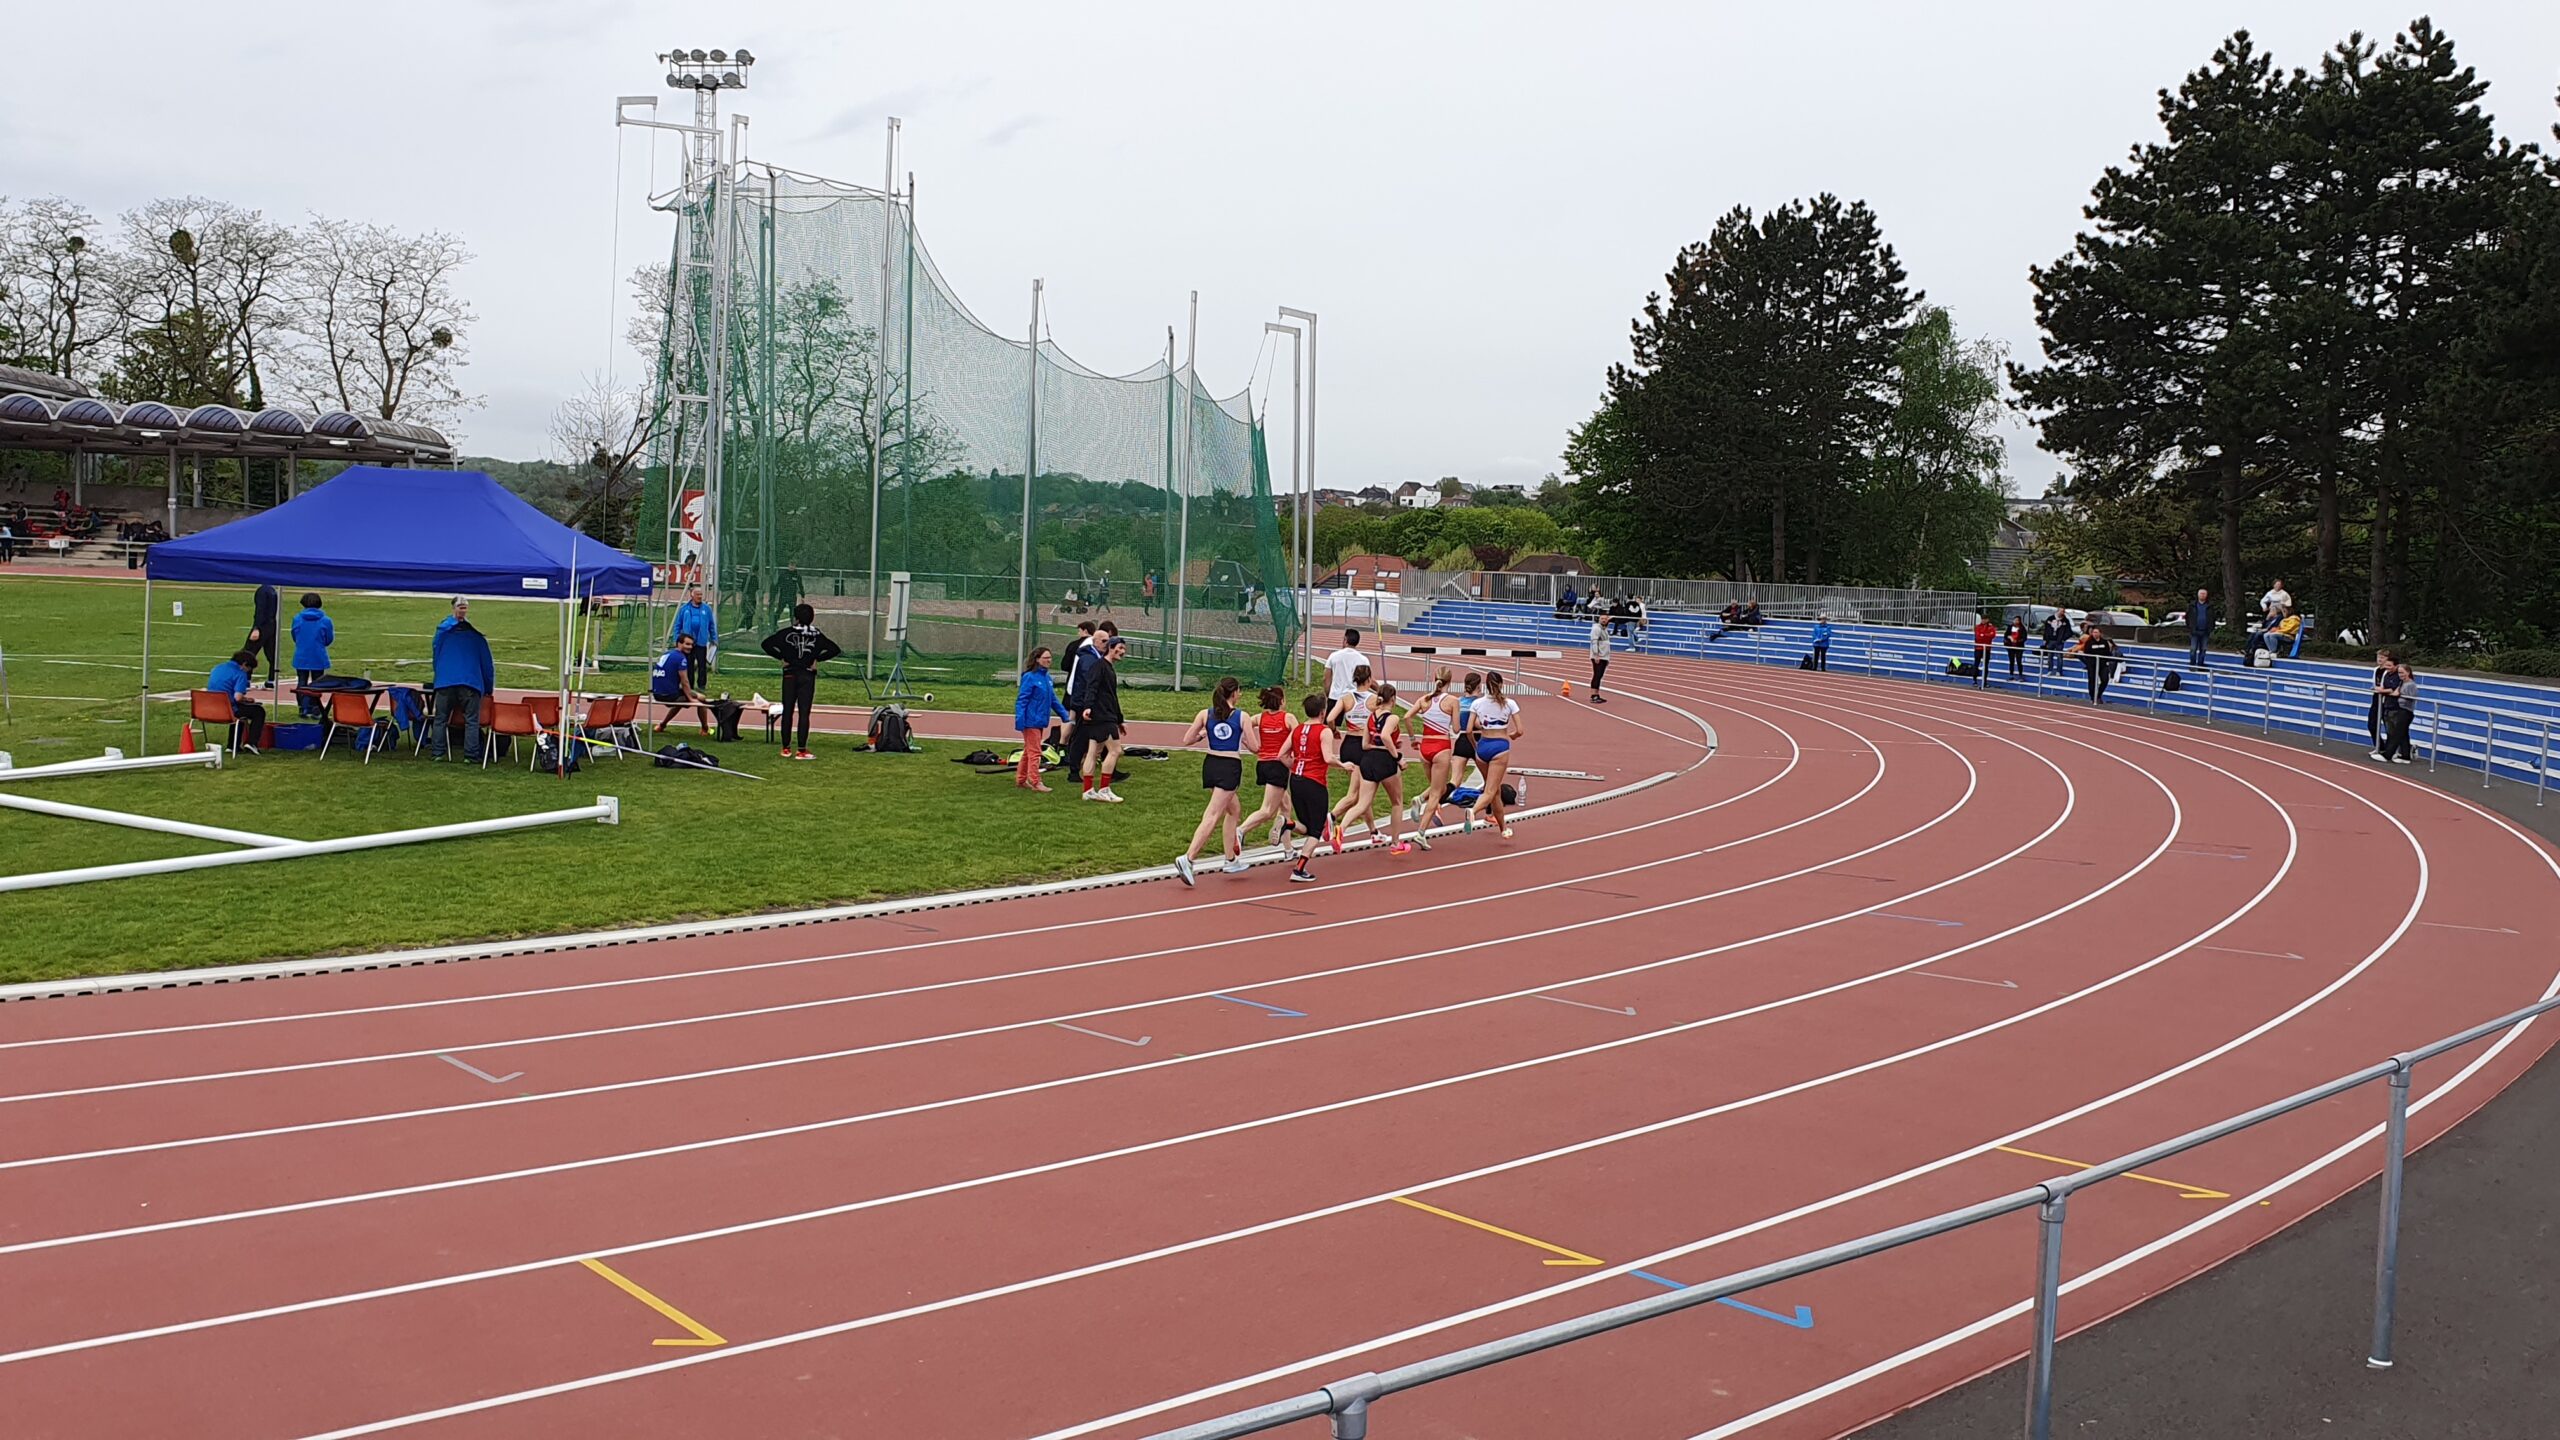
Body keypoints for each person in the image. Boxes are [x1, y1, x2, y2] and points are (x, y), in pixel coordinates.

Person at [1175, 676, 1253, 885]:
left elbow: (1187, 740)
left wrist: (1203, 733)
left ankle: (1230, 860)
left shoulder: (1205, 714)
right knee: (1212, 814)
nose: (1241, 694)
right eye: (1240, 691)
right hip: (1229, 767)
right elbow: (1255, 747)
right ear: (1234, 693)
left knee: (1234, 810)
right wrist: (1244, 738)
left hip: (1210, 765)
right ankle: (1188, 858)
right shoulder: (1242, 716)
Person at [760, 603, 843, 760]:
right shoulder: (816, 635)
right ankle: (801, 750)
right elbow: (834, 649)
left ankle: (785, 748)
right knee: (804, 713)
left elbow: (766, 644)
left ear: (795, 617)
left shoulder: (786, 633)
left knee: (788, 711)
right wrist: (816, 658)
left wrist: (782, 657)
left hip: (789, 674)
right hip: (807, 675)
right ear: (811, 618)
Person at [1283, 691, 1340, 884]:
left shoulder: (1297, 729)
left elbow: (1281, 755)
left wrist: (1297, 766)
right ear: (1323, 713)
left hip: (1296, 780)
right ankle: (1299, 869)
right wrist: (1344, 765)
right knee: (1317, 830)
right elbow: (1327, 758)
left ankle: (1287, 824)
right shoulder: (1324, 731)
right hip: (1314, 782)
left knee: (1307, 827)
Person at [430, 598, 495, 761]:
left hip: (445, 682)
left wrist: (439, 677)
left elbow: (436, 657)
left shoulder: (442, 635)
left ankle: (438, 752)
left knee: (440, 719)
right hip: (470, 683)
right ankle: (471, 755)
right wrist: (488, 689)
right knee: (472, 721)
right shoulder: (478, 638)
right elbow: (487, 666)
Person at [1238, 685, 1300, 848]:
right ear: (1281, 701)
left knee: (1286, 806)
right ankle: (1241, 831)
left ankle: (1288, 849)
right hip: (1278, 766)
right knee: (1267, 810)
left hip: (1263, 765)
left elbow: (1241, 726)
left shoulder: (1259, 718)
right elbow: (1300, 736)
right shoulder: (1288, 718)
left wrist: (1249, 743)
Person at [1464, 669, 1523, 838]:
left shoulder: (1477, 703)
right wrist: (1510, 735)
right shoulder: (1510, 704)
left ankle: (1503, 828)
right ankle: (1473, 811)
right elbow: (1520, 730)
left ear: (1486, 685)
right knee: (1490, 791)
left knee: (1495, 790)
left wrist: (1476, 746)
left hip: (1483, 747)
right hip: (1500, 748)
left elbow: (1469, 730)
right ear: (1502, 685)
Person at [1074, 635, 1130, 802]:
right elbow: (1092, 687)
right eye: (1119, 648)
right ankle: (1104, 789)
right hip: (1103, 716)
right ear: (1110, 648)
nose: (1122, 652)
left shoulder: (1107, 667)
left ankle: (1088, 790)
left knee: (1093, 753)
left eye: (1124, 649)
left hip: (1103, 715)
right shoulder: (1100, 666)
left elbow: (1111, 696)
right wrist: (1088, 707)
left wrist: (1119, 719)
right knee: (1115, 751)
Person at [1410, 667, 1463, 827]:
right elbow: (1455, 729)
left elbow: (1406, 716)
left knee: (1437, 788)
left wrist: (1413, 738)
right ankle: (1421, 830)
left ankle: (1425, 802)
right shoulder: (1453, 701)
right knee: (1437, 791)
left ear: (1434, 678)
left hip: (1425, 747)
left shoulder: (1424, 699)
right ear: (1450, 681)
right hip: (1441, 747)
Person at [651, 633, 715, 735]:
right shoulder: (681, 658)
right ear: (679, 644)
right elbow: (685, 681)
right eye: (687, 644)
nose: (690, 647)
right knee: (701, 700)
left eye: (691, 645)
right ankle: (705, 729)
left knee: (685, 697)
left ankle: (662, 725)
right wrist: (690, 698)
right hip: (669, 696)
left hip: (657, 693)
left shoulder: (666, 654)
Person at [205, 648, 266, 752]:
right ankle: (252, 742)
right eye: (249, 669)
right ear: (244, 664)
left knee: (241, 710)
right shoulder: (240, 674)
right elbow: (237, 698)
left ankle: (232, 745)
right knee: (259, 711)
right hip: (227, 710)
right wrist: (246, 699)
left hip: (210, 708)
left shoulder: (217, 668)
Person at [289, 593, 334, 719]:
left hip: (302, 654)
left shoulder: (297, 618)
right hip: (318, 654)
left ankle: (303, 708)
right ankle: (315, 708)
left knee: (302, 681)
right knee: (317, 682)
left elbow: (294, 635)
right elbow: (329, 638)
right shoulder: (326, 620)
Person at [670, 587, 719, 690]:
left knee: (702, 665)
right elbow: (677, 625)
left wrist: (714, 638)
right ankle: (689, 685)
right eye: (697, 594)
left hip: (701, 642)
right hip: (688, 643)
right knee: (689, 665)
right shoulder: (684, 609)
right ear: (692, 595)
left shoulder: (707, 609)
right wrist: (676, 639)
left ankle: (702, 685)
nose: (699, 596)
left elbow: (711, 625)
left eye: (701, 594)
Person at [2374, 660, 2418, 764]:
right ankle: (2405, 756)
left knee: (2397, 734)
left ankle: (2387, 755)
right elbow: (2395, 692)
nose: (2400, 675)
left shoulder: (2411, 684)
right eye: (2399, 673)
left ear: (2408, 672)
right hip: (2401, 709)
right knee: (2403, 734)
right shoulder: (2402, 682)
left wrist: (2397, 694)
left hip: (2406, 711)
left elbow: (2410, 697)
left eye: (2402, 673)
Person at [2070, 620, 2119, 704]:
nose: (2095, 634)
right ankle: (2093, 697)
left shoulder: (2104, 642)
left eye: (2096, 632)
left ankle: (2098, 695)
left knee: (2105, 680)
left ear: (2100, 633)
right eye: (2093, 632)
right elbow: (2087, 652)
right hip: (2092, 665)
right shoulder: (2089, 642)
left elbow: (2107, 653)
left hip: (2102, 664)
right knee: (2092, 681)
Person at [246, 582, 281, 688]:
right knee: (271, 653)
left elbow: (260, 610)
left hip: (262, 626)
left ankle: (246, 679)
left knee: (248, 653)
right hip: (272, 625)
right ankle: (271, 679)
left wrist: (256, 627)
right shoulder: (273, 591)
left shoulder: (263, 591)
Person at [1325, 627, 1370, 702]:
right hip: (1353, 699)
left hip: (1335, 697)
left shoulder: (1333, 656)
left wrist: (1328, 694)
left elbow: (1326, 678)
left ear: (1345, 640)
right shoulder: (1363, 660)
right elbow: (1369, 681)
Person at [2365, 649, 2397, 750]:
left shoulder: (2389, 671)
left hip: (2385, 700)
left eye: (2382, 657)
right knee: (2371, 725)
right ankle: (2379, 747)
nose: (2379, 659)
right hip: (2376, 698)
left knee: (2390, 727)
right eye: (2378, 657)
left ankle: (2394, 749)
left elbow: (2391, 686)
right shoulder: (2376, 670)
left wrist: (2381, 689)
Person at [2186, 589, 2213, 670]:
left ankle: (2201, 665)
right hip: (2194, 631)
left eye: (2204, 594)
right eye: (2201, 594)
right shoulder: (2192, 606)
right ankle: (2192, 665)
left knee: (2203, 649)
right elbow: (2188, 617)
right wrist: (2190, 627)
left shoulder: (2210, 606)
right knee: (2193, 649)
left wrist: (2211, 628)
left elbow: (2212, 618)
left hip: (2205, 631)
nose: (2202, 595)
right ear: (2198, 595)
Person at [1587, 615, 1611, 704]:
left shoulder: (1604, 629)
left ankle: (1597, 694)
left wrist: (1607, 658)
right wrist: (1596, 655)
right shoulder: (1596, 629)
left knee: (1600, 675)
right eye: (1602, 619)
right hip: (1598, 656)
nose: (1604, 620)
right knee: (1597, 675)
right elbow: (1594, 642)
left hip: (1604, 656)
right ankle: (1593, 695)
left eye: (1605, 619)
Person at [1970, 614, 1996, 687]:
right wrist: (1985, 635)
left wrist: (1983, 635)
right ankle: (1974, 680)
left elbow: (1992, 635)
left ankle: (1984, 681)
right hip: (1978, 648)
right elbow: (1978, 637)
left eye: (1985, 619)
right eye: (1982, 619)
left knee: (1986, 665)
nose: (1983, 620)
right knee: (1976, 664)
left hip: (1987, 649)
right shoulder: (1978, 627)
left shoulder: (1991, 627)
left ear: (1988, 620)